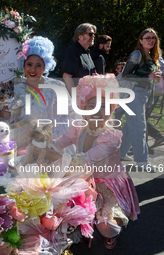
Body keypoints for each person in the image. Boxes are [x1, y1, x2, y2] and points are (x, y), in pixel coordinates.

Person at [47, 74, 140, 249]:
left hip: (107, 185)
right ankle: (82, 225)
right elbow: (60, 142)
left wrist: (54, 157)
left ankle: (110, 229)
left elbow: (84, 160)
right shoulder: (79, 127)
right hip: (84, 180)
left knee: (106, 226)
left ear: (112, 109)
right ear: (84, 108)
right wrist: (45, 146)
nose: (97, 111)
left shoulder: (111, 136)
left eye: (103, 107)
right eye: (91, 106)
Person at [13, 36, 78, 151]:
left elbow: (72, 117)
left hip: (53, 145)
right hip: (25, 145)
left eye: (38, 65)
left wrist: (58, 145)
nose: (33, 70)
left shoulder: (56, 87)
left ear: (45, 67)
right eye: (29, 64)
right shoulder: (17, 88)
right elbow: (14, 119)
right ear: (23, 65)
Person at [120, 28, 162, 169]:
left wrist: (149, 100)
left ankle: (120, 153)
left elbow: (151, 82)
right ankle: (142, 162)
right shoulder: (137, 54)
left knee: (130, 126)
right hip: (134, 94)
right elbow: (126, 75)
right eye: (147, 38)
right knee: (139, 128)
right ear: (140, 40)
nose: (150, 40)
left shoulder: (151, 56)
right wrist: (147, 77)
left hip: (143, 95)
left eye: (153, 38)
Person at [62, 23, 96, 95]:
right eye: (90, 34)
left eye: (94, 34)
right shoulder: (72, 51)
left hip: (87, 99)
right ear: (80, 37)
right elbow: (67, 76)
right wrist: (75, 98)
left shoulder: (87, 52)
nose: (93, 36)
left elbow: (92, 73)